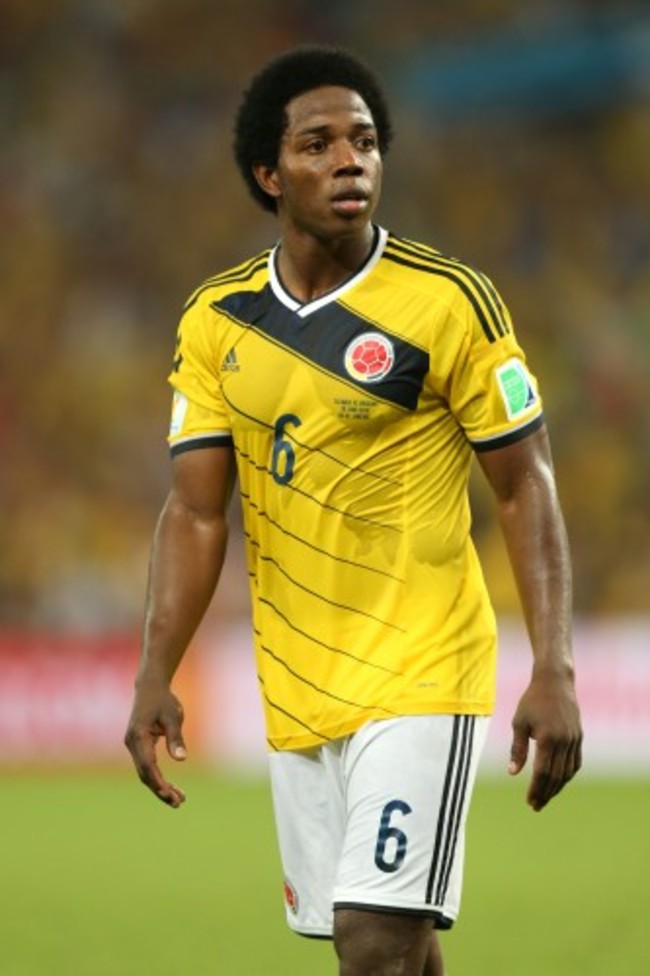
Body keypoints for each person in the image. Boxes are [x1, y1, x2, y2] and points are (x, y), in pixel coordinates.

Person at [125, 44, 583, 976]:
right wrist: (153, 667)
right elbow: (196, 514)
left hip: (423, 672)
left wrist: (556, 667)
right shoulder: (217, 320)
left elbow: (523, 483)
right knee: (398, 949)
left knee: (369, 942)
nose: (351, 161)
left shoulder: (448, 302)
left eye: (367, 142)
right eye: (320, 143)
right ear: (268, 172)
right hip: (298, 692)